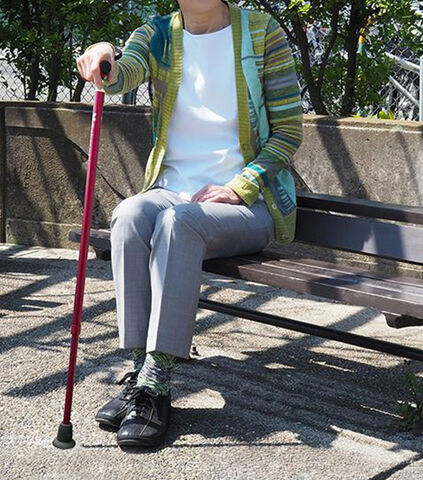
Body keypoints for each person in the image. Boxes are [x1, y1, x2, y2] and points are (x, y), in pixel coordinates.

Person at [76, 0, 303, 448]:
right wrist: (104, 53)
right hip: (171, 192)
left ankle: (157, 381)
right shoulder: (158, 33)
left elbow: (288, 132)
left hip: (245, 206)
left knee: (178, 224)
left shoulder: (262, 32)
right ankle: (141, 374)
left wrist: (241, 185)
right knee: (128, 215)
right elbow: (121, 73)